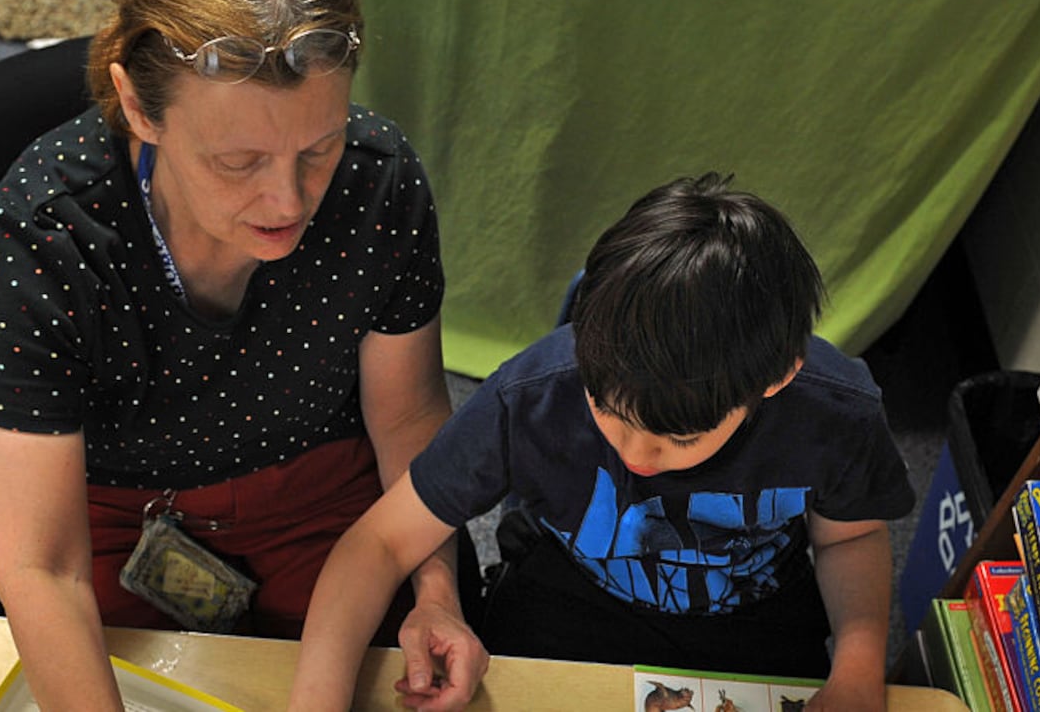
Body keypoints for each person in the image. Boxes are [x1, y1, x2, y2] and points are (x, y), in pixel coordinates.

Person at [0, 0, 485, 711]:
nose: (286, 199)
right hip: (113, 521)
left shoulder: (379, 180)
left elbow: (408, 421)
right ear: (141, 112)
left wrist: (437, 594)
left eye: (318, 147)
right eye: (238, 160)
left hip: (326, 510)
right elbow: (44, 563)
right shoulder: (44, 231)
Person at [289, 173, 916, 712]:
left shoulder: (836, 413)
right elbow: (378, 541)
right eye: (609, 412)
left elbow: (853, 536)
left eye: (681, 438)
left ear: (776, 379)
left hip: (752, 623)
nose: (636, 456)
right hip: (566, 603)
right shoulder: (535, 394)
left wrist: (859, 665)